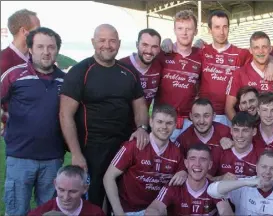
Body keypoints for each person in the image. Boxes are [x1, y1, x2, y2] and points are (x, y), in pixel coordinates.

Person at [59, 24, 149, 207]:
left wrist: (142, 128)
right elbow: (65, 115)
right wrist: (76, 154)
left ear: (119, 43)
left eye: (112, 40)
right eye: (102, 40)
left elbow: (140, 107)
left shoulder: (129, 73)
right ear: (93, 42)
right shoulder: (80, 72)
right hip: (91, 150)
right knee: (93, 201)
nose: (107, 45)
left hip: (124, 148)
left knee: (121, 198)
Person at [1, 27, 65, 215]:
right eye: (40, 46)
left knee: (50, 212)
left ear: (57, 50)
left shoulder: (65, 80)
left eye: (51, 47)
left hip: (53, 159)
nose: (46, 52)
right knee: (16, 211)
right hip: (20, 158)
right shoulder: (14, 75)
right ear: (30, 49)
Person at [103, 104, 187, 215]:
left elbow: (187, 176)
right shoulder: (134, 146)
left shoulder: (177, 153)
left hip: (155, 212)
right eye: (160, 122)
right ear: (151, 122)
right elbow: (108, 177)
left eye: (169, 123)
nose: (164, 127)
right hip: (128, 211)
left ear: (175, 125)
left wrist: (184, 172)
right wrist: (118, 210)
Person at [207, 151, 273, 215]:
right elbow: (212, 190)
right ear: (257, 168)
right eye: (264, 167)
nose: (267, 172)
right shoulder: (244, 184)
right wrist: (245, 182)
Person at [144, 143, 234, 215]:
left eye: (203, 159)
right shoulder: (173, 187)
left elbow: (226, 211)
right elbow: (154, 209)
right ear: (186, 163)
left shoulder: (215, 188)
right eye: (192, 159)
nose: (197, 164)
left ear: (210, 165)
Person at [154, 10, 203, 141]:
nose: (184, 32)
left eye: (189, 29)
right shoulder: (162, 54)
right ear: (174, 30)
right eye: (180, 28)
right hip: (163, 120)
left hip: (188, 122)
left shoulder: (200, 55)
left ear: (196, 31)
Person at [225, 31, 273, 120]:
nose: (261, 51)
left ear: (270, 49)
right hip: (250, 129)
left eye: (264, 47)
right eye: (256, 47)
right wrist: (243, 128)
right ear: (250, 50)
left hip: (272, 127)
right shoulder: (239, 74)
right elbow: (228, 108)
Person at [28, 165, 105, 216]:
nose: (65, 197)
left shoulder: (96, 213)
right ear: (55, 184)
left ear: (85, 189)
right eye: (61, 190)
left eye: (73, 191)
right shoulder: (39, 213)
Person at [210, 112, 262, 180]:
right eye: (236, 130)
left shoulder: (261, 154)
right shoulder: (219, 151)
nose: (240, 135)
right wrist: (221, 178)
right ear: (231, 131)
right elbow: (205, 179)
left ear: (254, 131)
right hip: (226, 190)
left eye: (245, 130)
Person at [119, 28, 163, 106]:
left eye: (154, 47)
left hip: (144, 117)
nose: (149, 51)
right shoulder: (121, 65)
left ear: (159, 49)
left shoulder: (159, 66)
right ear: (137, 45)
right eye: (145, 45)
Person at [0, 9, 40, 74]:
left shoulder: (39, 58)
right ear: (24, 31)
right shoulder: (3, 61)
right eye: (38, 29)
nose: (42, 33)